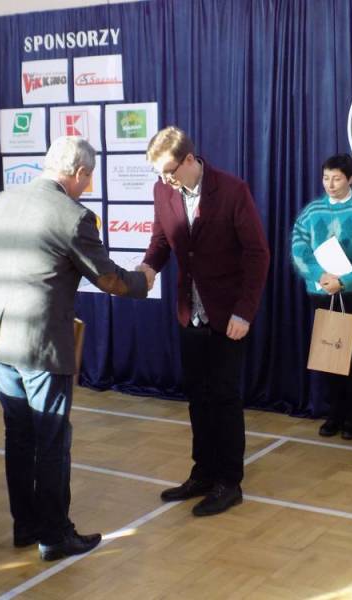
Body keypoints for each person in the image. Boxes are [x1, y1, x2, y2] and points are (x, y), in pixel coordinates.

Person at [0, 136, 151, 560]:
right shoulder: (73, 216)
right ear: (79, 172)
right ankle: (54, 535)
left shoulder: (2, 200)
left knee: (18, 436)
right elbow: (109, 279)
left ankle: (25, 526)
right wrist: (143, 280)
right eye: (88, 179)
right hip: (41, 345)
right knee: (51, 438)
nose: (88, 187)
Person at [139, 126, 270, 517]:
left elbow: (257, 254)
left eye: (170, 171)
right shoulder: (163, 190)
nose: (165, 180)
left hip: (229, 314)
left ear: (190, 160)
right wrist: (148, 268)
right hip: (189, 312)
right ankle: (203, 473)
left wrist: (244, 311)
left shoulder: (232, 190)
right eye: (160, 174)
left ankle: (229, 483)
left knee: (225, 398)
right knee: (198, 396)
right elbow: (161, 241)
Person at [291, 154, 352, 440]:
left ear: (350, 179)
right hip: (321, 292)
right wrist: (320, 276)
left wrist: (343, 280)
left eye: (337, 179)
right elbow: (299, 247)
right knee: (328, 354)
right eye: (326, 178)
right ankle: (334, 414)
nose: (330, 184)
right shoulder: (312, 210)